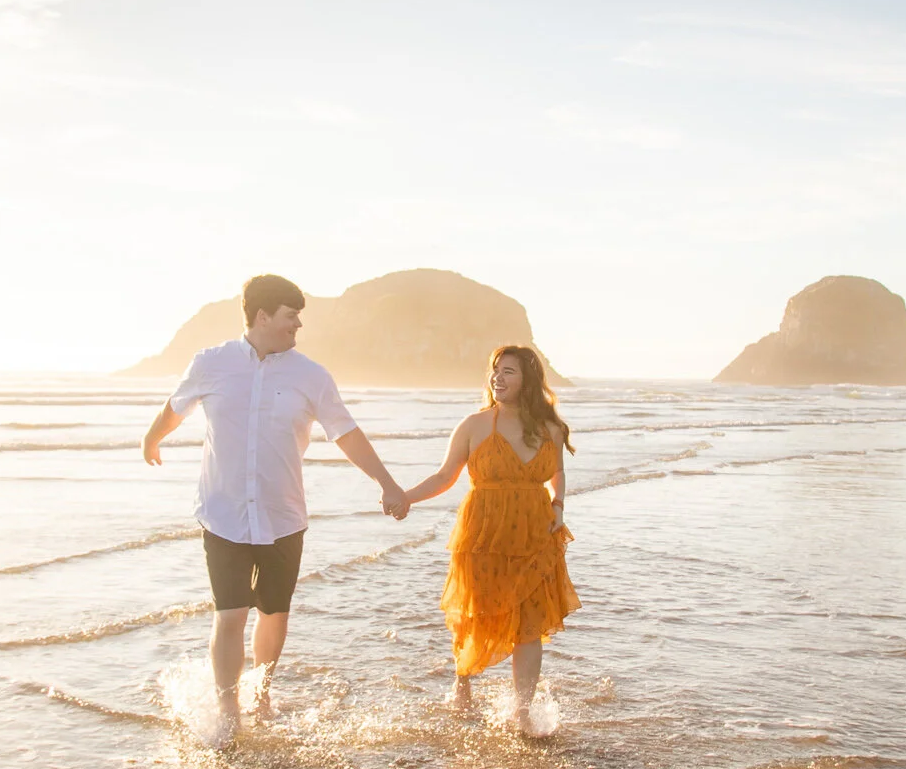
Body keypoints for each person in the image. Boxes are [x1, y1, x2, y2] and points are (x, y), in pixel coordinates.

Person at [142, 274, 408, 742]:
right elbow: (175, 406)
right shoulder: (212, 363)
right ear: (262, 316)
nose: (298, 324)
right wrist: (152, 436)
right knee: (230, 613)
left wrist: (386, 482)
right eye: (291, 315)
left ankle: (261, 689)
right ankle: (229, 708)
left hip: (283, 515)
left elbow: (345, 431)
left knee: (274, 612)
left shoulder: (311, 375)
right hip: (223, 513)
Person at [396, 344, 580, 735]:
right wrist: (405, 496)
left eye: (509, 371)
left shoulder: (549, 428)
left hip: (534, 534)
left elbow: (557, 473)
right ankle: (462, 683)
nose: (498, 377)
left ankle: (522, 711)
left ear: (528, 379)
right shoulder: (474, 425)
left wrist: (559, 507)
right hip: (483, 535)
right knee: (477, 612)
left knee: (529, 624)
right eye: (495, 370)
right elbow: (445, 477)